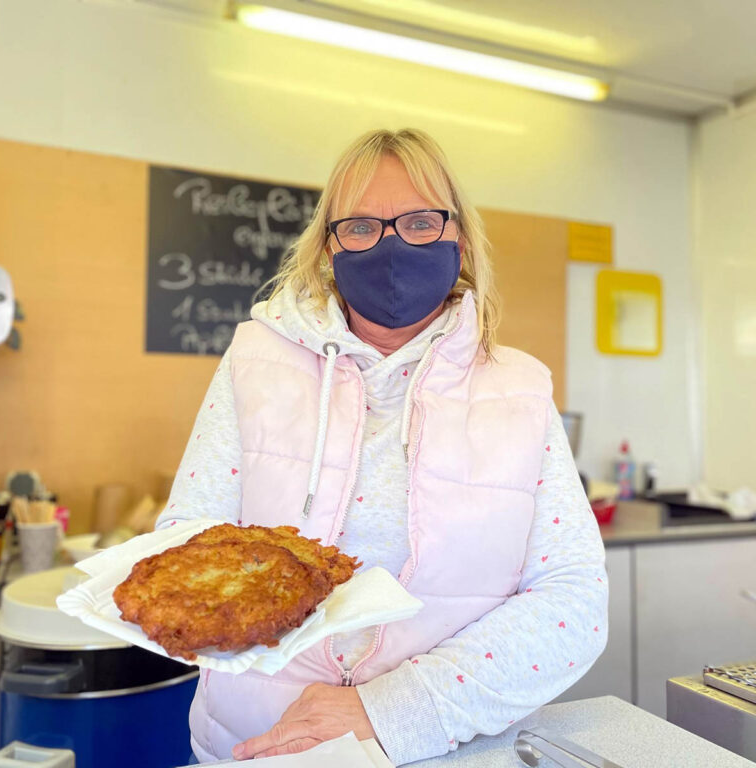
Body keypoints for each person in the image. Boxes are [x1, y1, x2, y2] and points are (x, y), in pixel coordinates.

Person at [156, 128, 608, 765]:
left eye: (421, 221)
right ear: (329, 244)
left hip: (446, 751)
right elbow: (187, 542)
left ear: (458, 236)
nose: (391, 245)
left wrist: (393, 708)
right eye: (362, 226)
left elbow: (573, 602)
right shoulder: (253, 360)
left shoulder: (521, 389)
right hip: (260, 748)